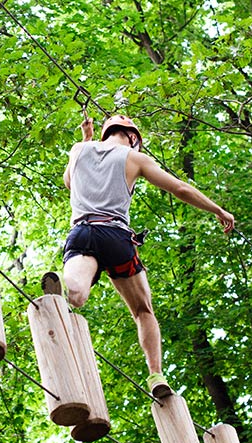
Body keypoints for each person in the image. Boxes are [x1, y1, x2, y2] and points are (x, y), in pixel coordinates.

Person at [60, 114, 234, 398]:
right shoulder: (134, 158)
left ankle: (66, 288)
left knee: (76, 294)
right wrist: (217, 210)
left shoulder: (79, 150)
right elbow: (179, 188)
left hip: (82, 232)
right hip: (116, 238)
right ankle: (156, 375)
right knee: (143, 311)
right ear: (132, 137)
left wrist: (86, 139)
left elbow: (71, 182)